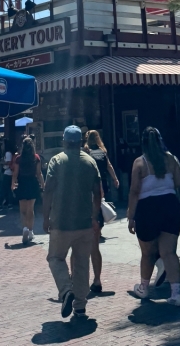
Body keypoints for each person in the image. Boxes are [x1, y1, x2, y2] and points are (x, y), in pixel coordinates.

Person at [42, 125, 102, 320]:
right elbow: (97, 192)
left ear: (64, 141)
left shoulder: (56, 161)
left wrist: (45, 217)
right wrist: (94, 216)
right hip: (84, 221)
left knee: (55, 258)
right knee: (82, 263)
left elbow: (48, 190)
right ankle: (81, 306)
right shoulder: (90, 162)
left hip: (61, 221)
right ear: (81, 143)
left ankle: (66, 290)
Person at [127, 126, 180, 306]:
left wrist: (131, 216)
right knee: (169, 252)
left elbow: (134, 191)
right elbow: (179, 184)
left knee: (147, 253)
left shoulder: (140, 163)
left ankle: (144, 288)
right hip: (170, 205)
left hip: (147, 209)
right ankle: (176, 293)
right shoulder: (172, 159)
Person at [84, 130, 120, 294]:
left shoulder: (86, 152)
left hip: (88, 192)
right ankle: (97, 279)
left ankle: (77, 280)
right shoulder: (102, 152)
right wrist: (115, 178)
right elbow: (109, 166)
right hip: (101, 186)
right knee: (95, 244)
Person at [11, 136, 44, 243]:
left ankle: (24, 228)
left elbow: (15, 173)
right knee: (31, 209)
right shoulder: (36, 158)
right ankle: (30, 231)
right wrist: (43, 185)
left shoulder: (18, 159)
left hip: (22, 184)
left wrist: (12, 184)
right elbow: (39, 173)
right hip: (33, 184)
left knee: (22, 210)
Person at [0, 140, 15, 209]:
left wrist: (1, 162)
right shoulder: (9, 153)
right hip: (8, 172)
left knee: (4, 188)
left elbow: (8, 162)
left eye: (2, 144)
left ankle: (1, 204)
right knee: (8, 189)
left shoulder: (8, 153)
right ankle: (9, 203)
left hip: (7, 172)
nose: (2, 146)